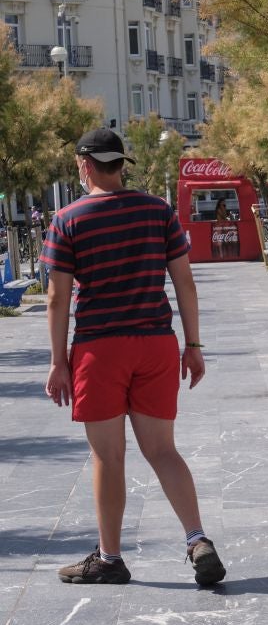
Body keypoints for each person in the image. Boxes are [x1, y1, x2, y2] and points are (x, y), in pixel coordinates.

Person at [41, 128, 225, 586]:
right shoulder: (157, 211)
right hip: (156, 344)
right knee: (162, 450)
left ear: (85, 167)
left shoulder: (68, 219)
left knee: (109, 457)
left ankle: (109, 558)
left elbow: (56, 299)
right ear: (121, 166)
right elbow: (185, 282)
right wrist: (194, 345)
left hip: (100, 349)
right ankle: (197, 538)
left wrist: (58, 361)